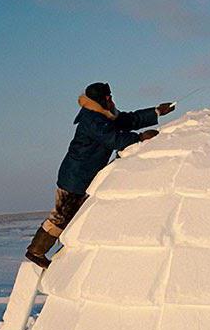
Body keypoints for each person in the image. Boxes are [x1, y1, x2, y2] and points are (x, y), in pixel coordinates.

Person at [25, 82, 175, 268]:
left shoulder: (105, 115)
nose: (111, 99)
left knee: (75, 215)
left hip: (83, 176)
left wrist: (156, 112)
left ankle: (61, 250)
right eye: (108, 97)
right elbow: (113, 139)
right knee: (62, 215)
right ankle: (36, 251)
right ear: (100, 100)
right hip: (75, 177)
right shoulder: (93, 120)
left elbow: (128, 121)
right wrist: (139, 138)